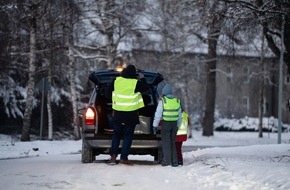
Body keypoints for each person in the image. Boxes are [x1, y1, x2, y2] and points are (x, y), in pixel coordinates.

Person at [107, 64, 149, 165]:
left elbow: (108, 94)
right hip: (131, 115)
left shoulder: (116, 81)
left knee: (116, 135)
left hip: (117, 114)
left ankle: (113, 157)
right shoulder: (135, 83)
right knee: (128, 136)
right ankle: (123, 158)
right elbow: (146, 89)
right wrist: (142, 79)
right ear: (134, 74)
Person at [153, 84, 182, 167]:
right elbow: (180, 116)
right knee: (173, 143)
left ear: (164, 93)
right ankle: (175, 161)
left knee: (166, 143)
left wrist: (155, 126)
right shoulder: (177, 101)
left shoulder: (163, 101)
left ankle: (167, 161)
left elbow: (158, 115)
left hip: (166, 124)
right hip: (174, 124)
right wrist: (178, 126)